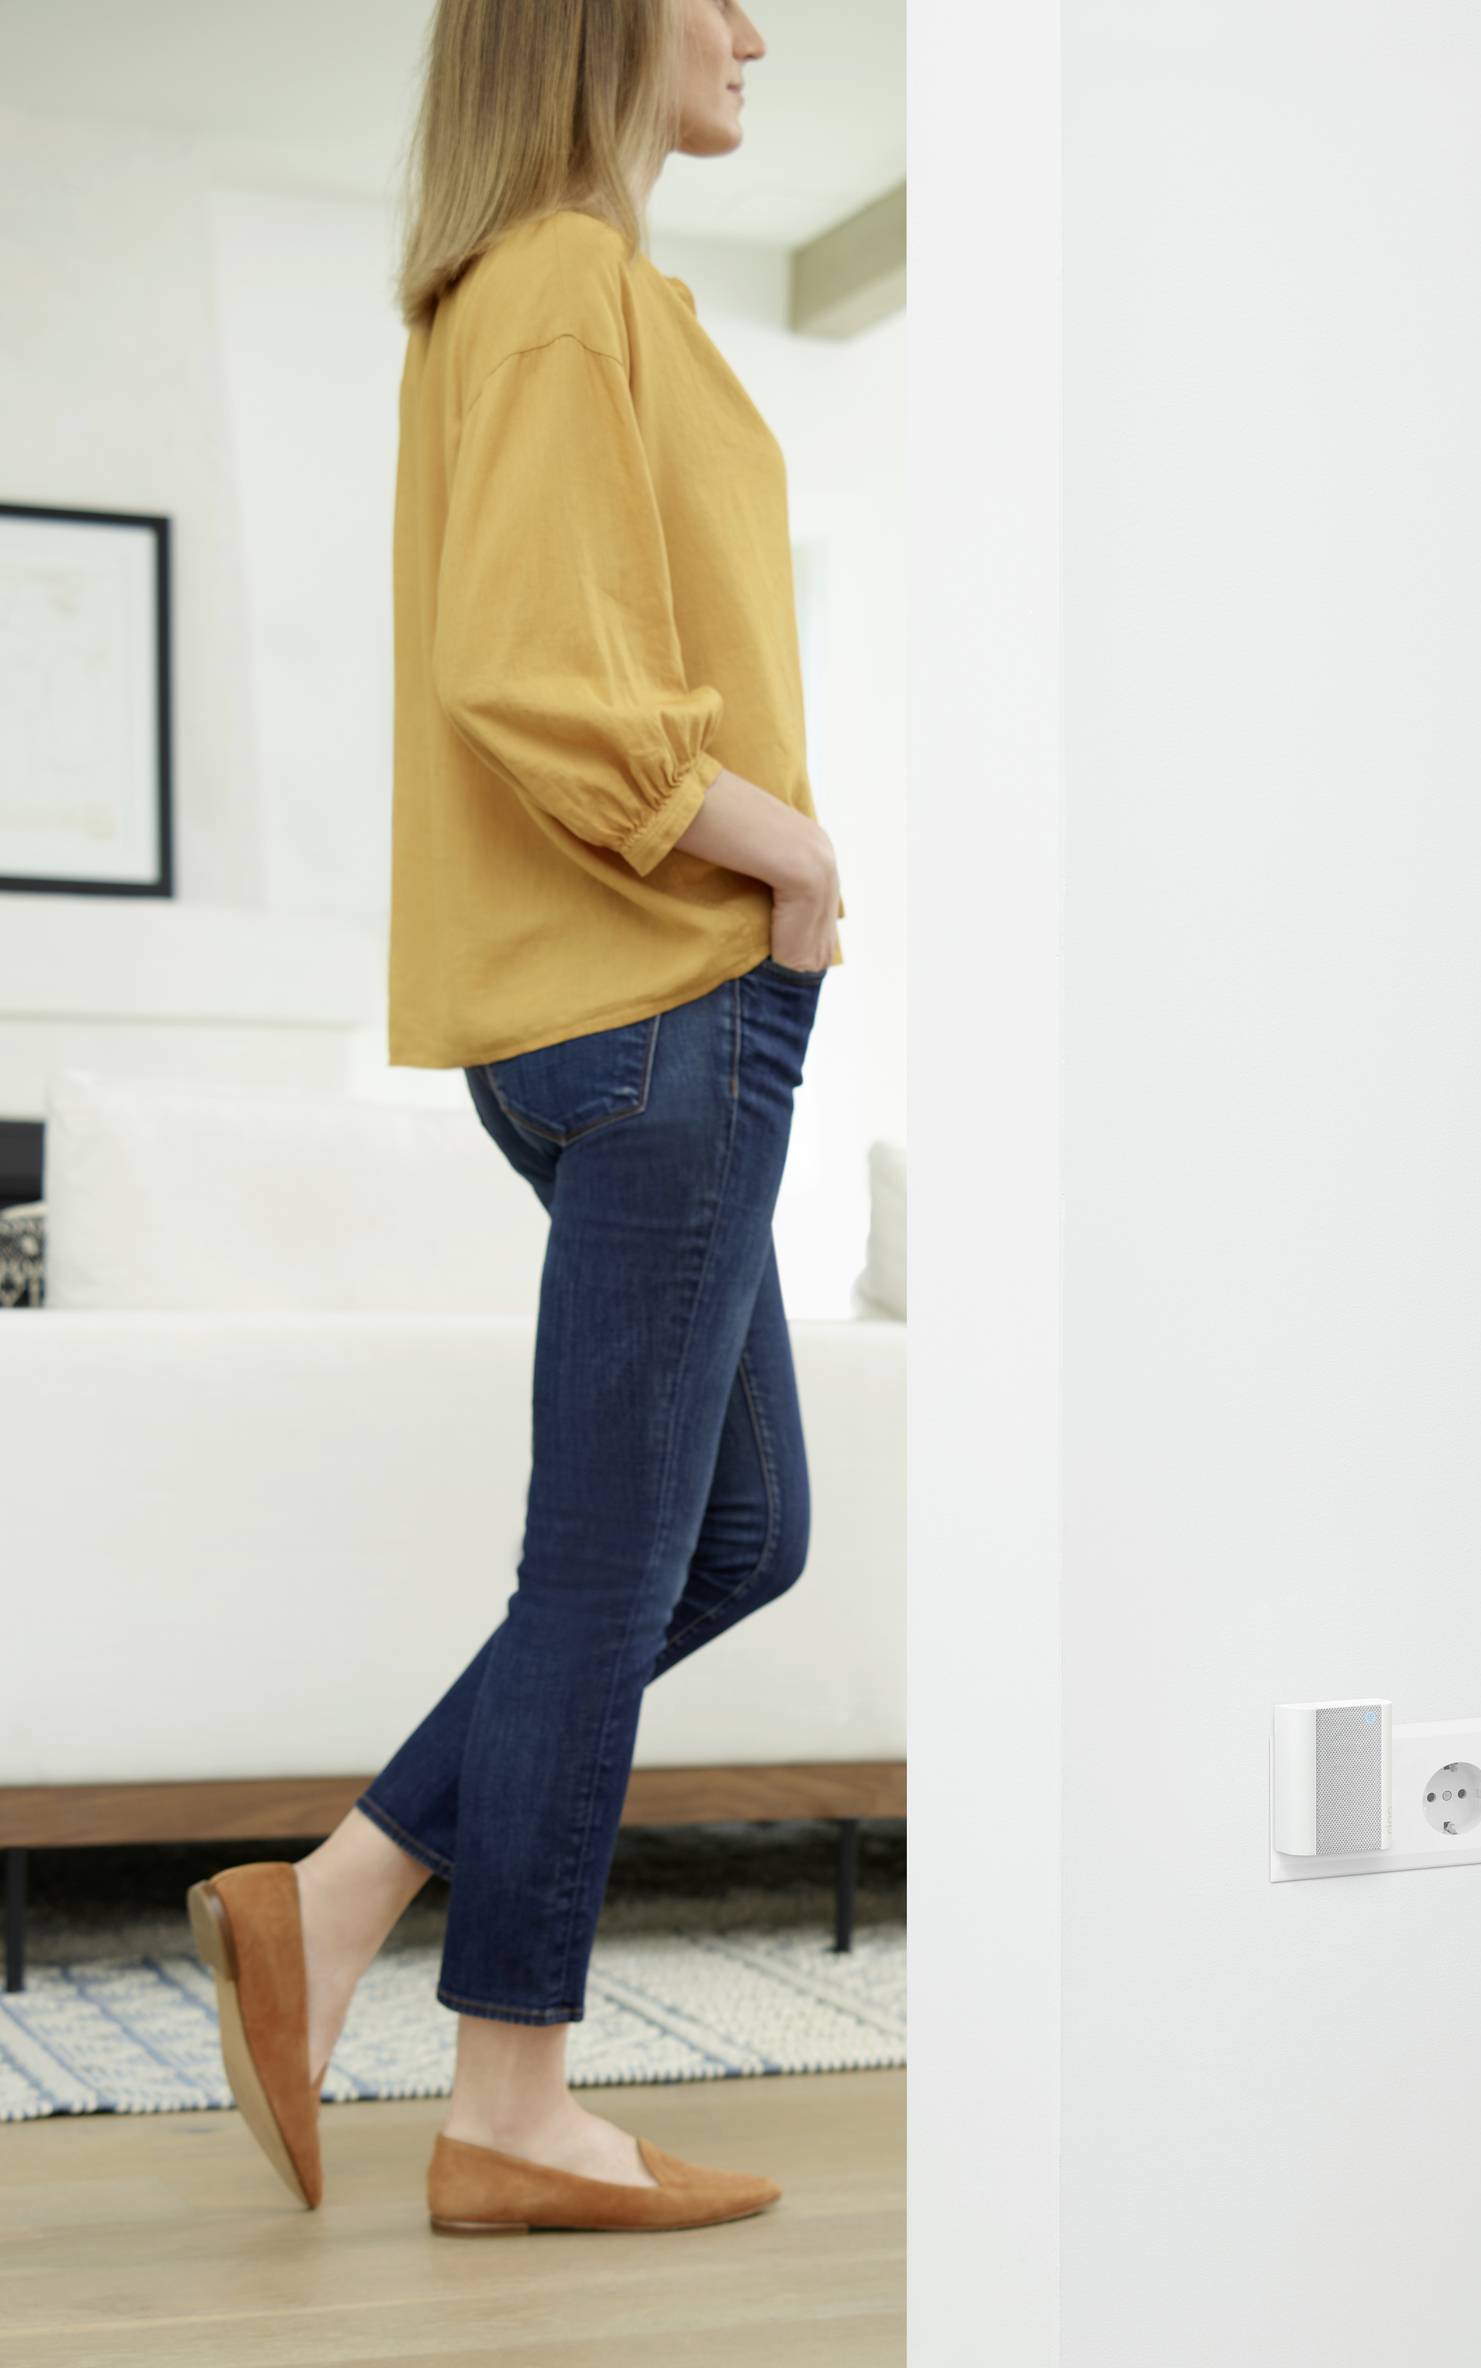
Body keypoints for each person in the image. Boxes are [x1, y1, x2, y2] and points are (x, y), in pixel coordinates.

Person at [185, 0, 843, 2238]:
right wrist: (791, 855)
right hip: (665, 1004)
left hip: (610, 1017)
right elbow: (535, 673)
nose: (758, 26)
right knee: (605, 1569)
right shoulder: (560, 283)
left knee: (734, 1538)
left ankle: (341, 1896)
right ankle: (509, 2106)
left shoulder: (559, 288)